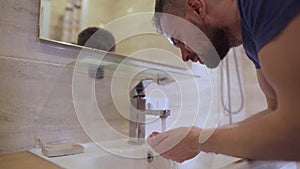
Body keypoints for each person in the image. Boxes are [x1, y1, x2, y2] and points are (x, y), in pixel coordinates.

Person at [147, 0, 300, 163]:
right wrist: (198, 138)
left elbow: (294, 131)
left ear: (196, 8)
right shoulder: (252, 39)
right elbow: (275, 111)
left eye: (179, 41)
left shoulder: (265, 5)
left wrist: (196, 141)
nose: (184, 57)